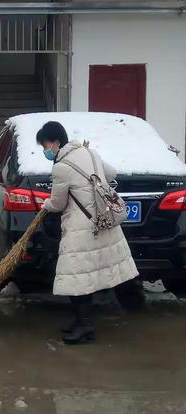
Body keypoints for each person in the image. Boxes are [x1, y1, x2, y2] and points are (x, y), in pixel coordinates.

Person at [37, 121, 138, 344]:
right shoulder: (89, 152)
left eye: (45, 145)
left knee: (76, 276)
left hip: (81, 229)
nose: (45, 151)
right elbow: (112, 173)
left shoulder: (61, 167)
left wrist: (45, 206)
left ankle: (85, 326)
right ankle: (82, 322)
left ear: (55, 142)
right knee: (89, 275)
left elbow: (58, 202)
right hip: (103, 222)